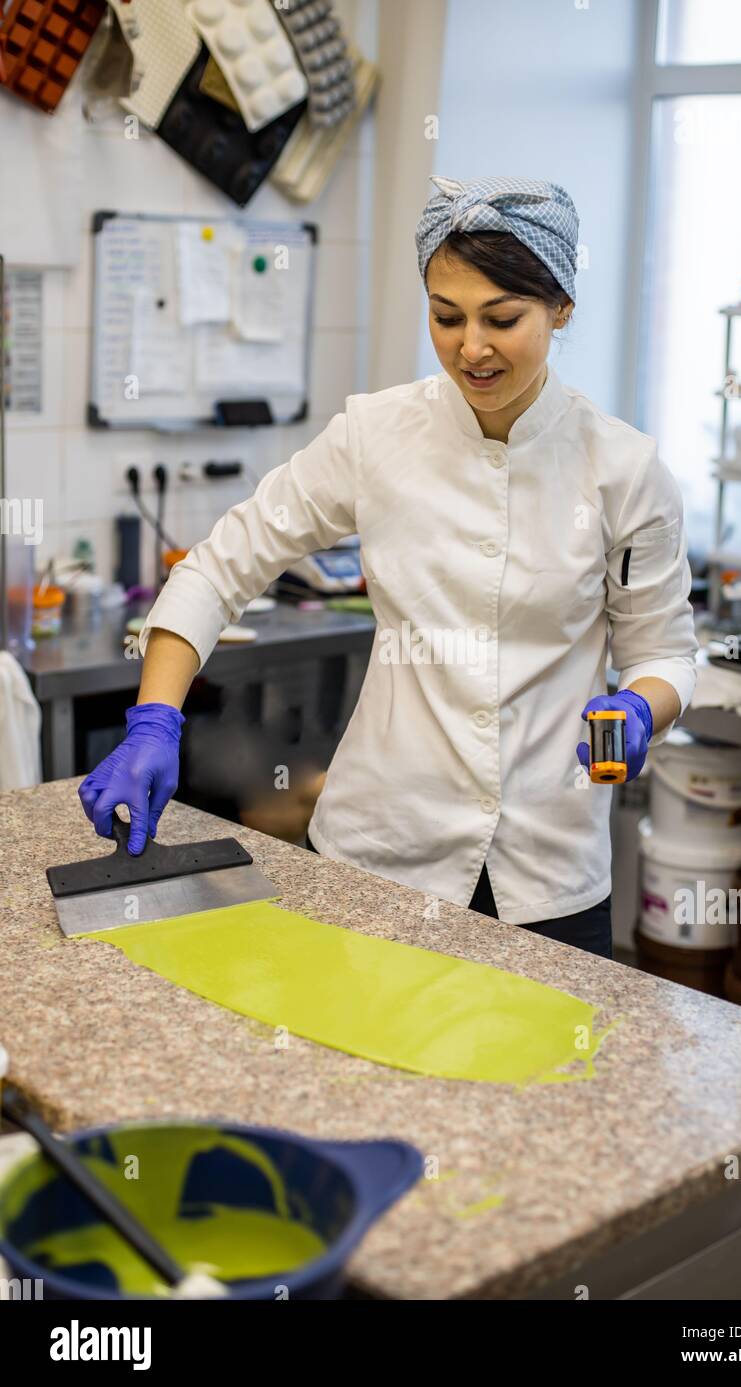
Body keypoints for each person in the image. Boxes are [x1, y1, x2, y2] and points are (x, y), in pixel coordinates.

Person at [79, 174, 698, 959]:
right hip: (379, 857)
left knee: (544, 1077)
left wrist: (643, 707)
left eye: (501, 319)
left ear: (562, 308)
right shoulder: (377, 434)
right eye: (446, 317)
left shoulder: (625, 468)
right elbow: (220, 567)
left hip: (550, 876)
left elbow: (666, 653)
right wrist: (155, 718)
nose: (471, 347)